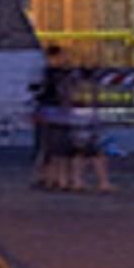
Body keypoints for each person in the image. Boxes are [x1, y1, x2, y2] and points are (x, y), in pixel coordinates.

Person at [31, 44, 78, 190]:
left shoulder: (43, 72)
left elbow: (35, 89)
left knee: (46, 146)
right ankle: (57, 178)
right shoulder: (60, 73)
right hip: (56, 111)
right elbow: (64, 92)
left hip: (45, 109)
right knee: (58, 147)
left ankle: (47, 177)